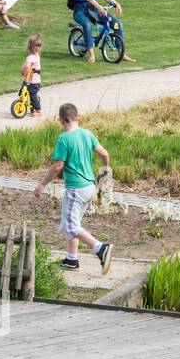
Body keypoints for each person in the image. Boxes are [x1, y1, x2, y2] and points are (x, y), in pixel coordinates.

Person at [34, 103, 113, 274]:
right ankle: (71, 259)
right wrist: (105, 172)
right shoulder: (87, 134)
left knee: (70, 226)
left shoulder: (64, 139)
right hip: (89, 186)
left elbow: (57, 167)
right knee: (74, 222)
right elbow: (105, 154)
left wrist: (42, 184)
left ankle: (101, 248)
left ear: (60, 120)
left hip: (76, 189)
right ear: (79, 117)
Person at [21, 35, 43, 117]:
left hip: (34, 82)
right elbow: (26, 65)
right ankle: (28, 102)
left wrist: (24, 72)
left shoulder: (32, 57)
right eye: (38, 46)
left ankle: (38, 110)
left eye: (40, 46)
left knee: (32, 95)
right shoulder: (34, 56)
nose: (40, 48)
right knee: (22, 92)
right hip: (29, 80)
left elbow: (27, 66)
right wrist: (24, 71)